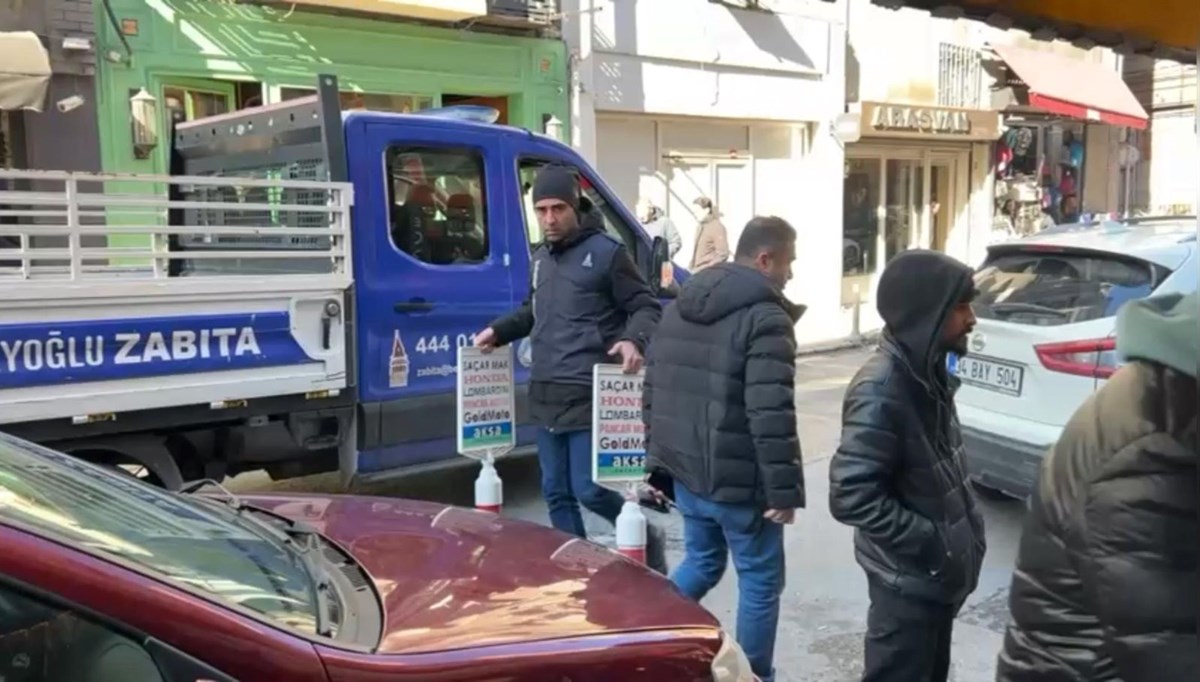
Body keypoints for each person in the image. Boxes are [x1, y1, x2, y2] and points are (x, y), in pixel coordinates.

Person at [474, 165, 667, 573]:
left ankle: (646, 537)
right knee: (554, 491)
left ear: (574, 206)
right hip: (545, 387)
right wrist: (498, 330)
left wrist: (634, 340)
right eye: (541, 210)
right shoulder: (540, 257)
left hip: (586, 389)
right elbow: (533, 311)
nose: (549, 218)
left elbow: (645, 305)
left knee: (589, 489)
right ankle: (575, 571)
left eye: (557, 208)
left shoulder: (608, 254)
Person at [997, 291, 1197, 682]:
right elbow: (1165, 645)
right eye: (960, 305)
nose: (972, 320)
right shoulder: (1147, 456)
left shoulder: (1172, 401)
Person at [643, 216, 805, 682]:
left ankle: (650, 634)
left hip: (688, 474)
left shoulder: (679, 306)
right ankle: (753, 677)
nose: (791, 274)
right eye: (789, 262)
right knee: (759, 581)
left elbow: (654, 389)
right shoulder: (766, 317)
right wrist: (783, 491)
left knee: (703, 561)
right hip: (739, 485)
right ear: (765, 259)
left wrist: (660, 463)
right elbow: (770, 411)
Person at [828, 249, 986, 682]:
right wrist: (929, 544)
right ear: (927, 313)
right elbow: (851, 496)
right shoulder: (882, 388)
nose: (972, 318)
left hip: (933, 583)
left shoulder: (926, 374)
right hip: (909, 585)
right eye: (961, 306)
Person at [690, 197, 730, 272]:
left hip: (707, 273)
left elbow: (723, 254)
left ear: (707, 210)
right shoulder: (700, 227)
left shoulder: (717, 227)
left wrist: (708, 268)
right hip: (696, 271)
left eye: (696, 211)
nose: (694, 214)